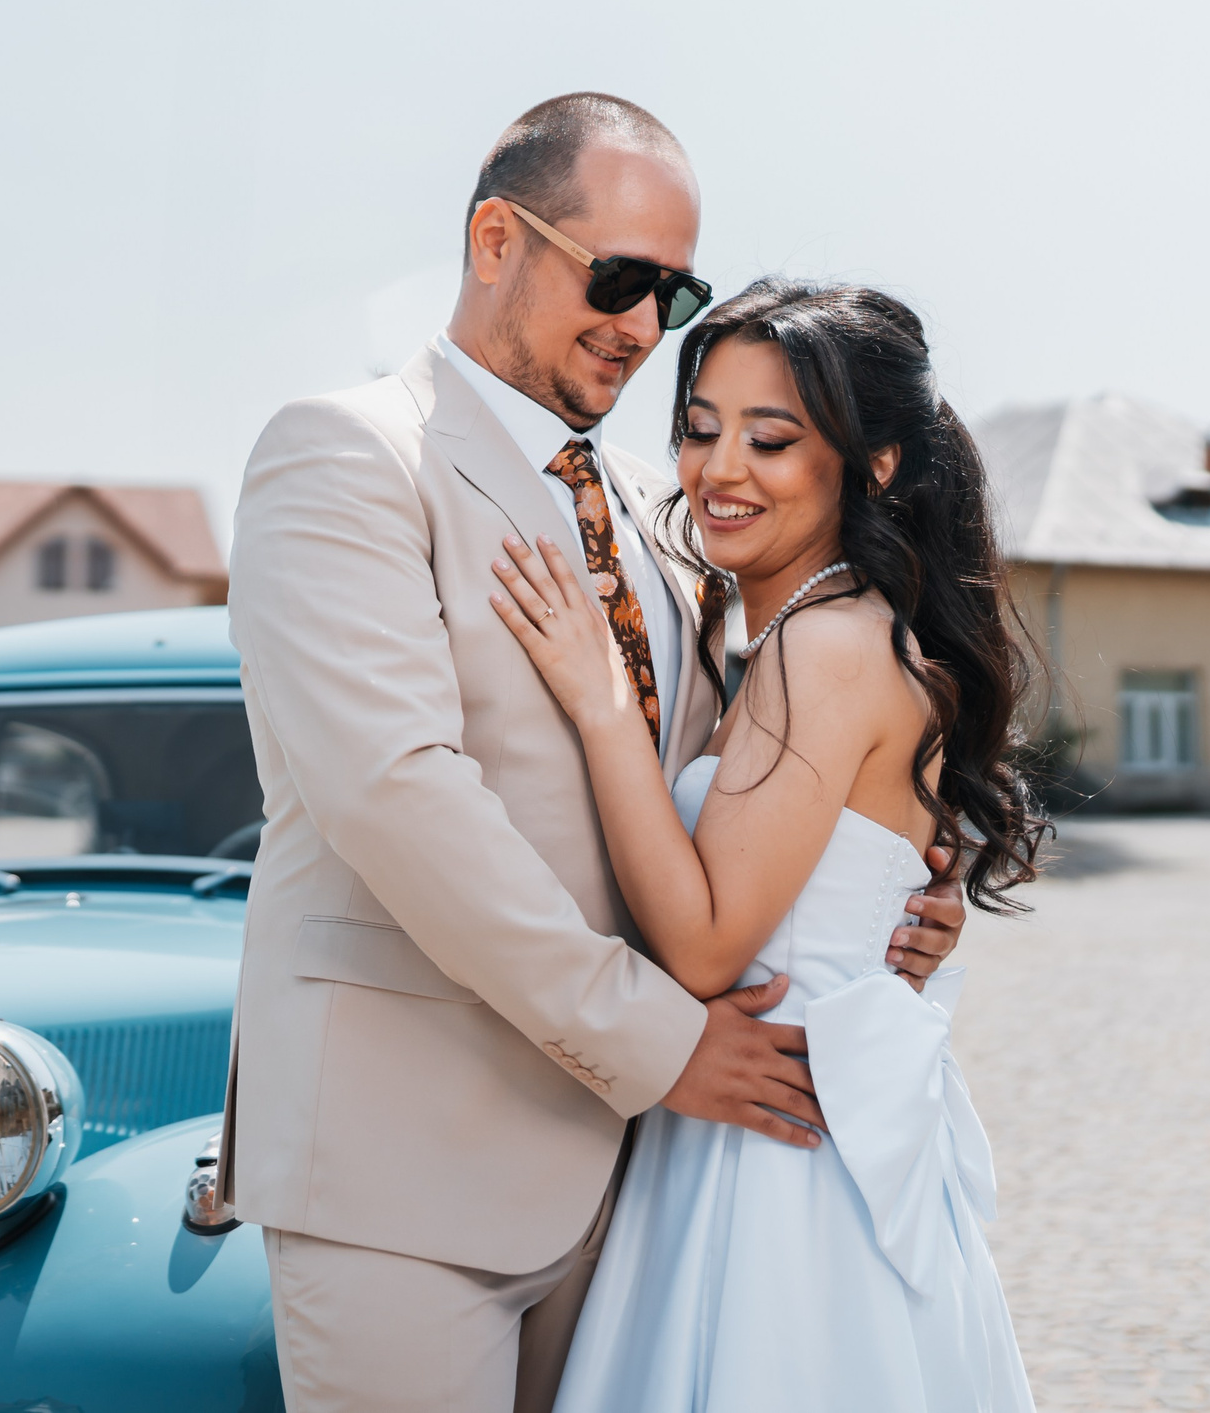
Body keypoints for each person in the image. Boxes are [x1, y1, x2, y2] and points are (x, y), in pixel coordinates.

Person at [222, 92, 970, 1413]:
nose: (640, 324)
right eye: (617, 277)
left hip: (635, 1189)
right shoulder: (348, 456)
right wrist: (664, 1043)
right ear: (494, 240)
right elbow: (396, 798)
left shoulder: (655, 510)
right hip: (407, 1167)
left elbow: (735, 776)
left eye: (671, 294)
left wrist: (896, 875)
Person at [490, 278, 1041, 1410]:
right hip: (773, 1124)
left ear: (873, 464)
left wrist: (602, 703)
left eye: (771, 438)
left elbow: (704, 948)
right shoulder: (811, 631)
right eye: (700, 429)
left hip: (772, 1160)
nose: (718, 469)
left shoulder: (823, 647)